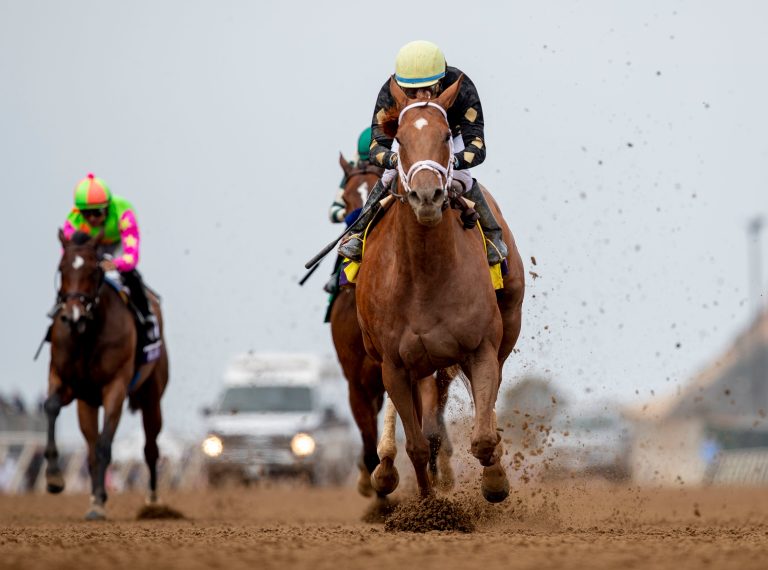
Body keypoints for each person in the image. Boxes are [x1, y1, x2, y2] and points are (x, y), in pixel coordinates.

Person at [338, 40, 508, 265]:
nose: (421, 94)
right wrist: (398, 160)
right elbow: (375, 148)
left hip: (449, 136)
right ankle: (358, 235)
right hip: (411, 137)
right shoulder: (390, 92)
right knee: (389, 176)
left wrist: (449, 162)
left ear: (442, 79)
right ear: (401, 85)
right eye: (411, 90)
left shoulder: (462, 87)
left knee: (462, 178)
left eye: (429, 87)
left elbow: (477, 147)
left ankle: (493, 235)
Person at [61, 173, 158, 345]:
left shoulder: (124, 213)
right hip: (91, 248)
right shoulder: (72, 222)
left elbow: (131, 258)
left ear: (107, 207)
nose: (92, 218)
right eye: (86, 213)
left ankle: (147, 317)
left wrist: (114, 264)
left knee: (130, 275)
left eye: (97, 212)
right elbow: (69, 259)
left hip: (117, 245)